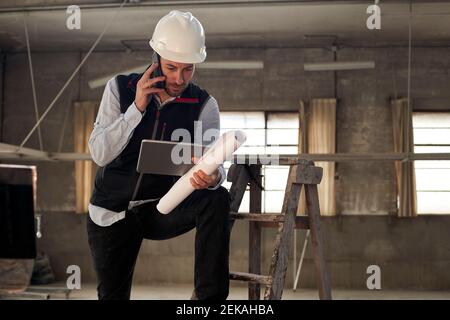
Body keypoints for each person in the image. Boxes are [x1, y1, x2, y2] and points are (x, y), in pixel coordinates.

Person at [87, 10, 231, 300]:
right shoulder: (119, 88)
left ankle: (209, 301)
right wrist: (136, 109)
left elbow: (217, 167)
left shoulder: (204, 105)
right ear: (155, 59)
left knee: (217, 197)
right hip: (111, 213)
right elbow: (100, 153)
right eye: (171, 67)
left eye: (188, 68)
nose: (179, 78)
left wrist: (213, 176)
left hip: (162, 207)